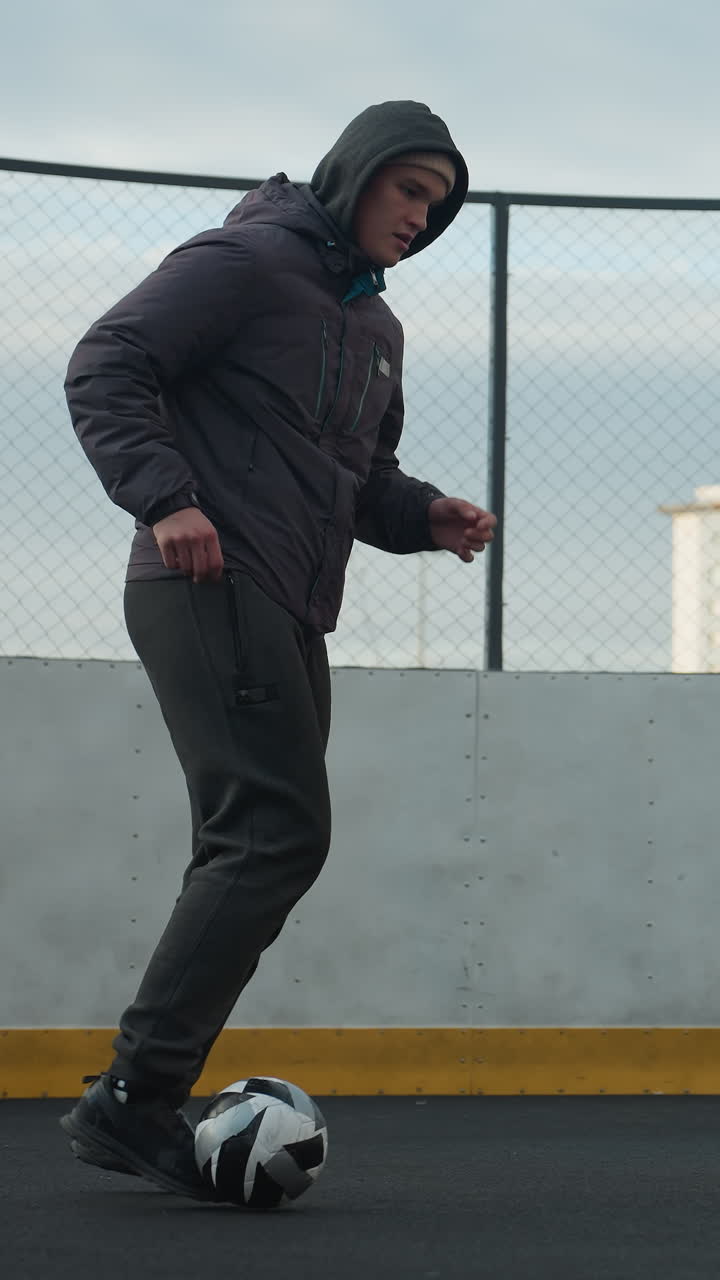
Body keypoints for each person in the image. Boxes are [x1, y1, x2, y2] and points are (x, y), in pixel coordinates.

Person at [60, 99, 497, 1201]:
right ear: (355, 175)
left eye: (436, 206)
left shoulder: (373, 331)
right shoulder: (243, 261)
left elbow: (353, 480)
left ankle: (137, 1089)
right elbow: (106, 361)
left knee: (263, 840)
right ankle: (135, 1096)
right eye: (408, 190)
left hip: (292, 601)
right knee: (273, 832)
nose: (418, 217)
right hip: (207, 577)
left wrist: (426, 513)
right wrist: (166, 499)